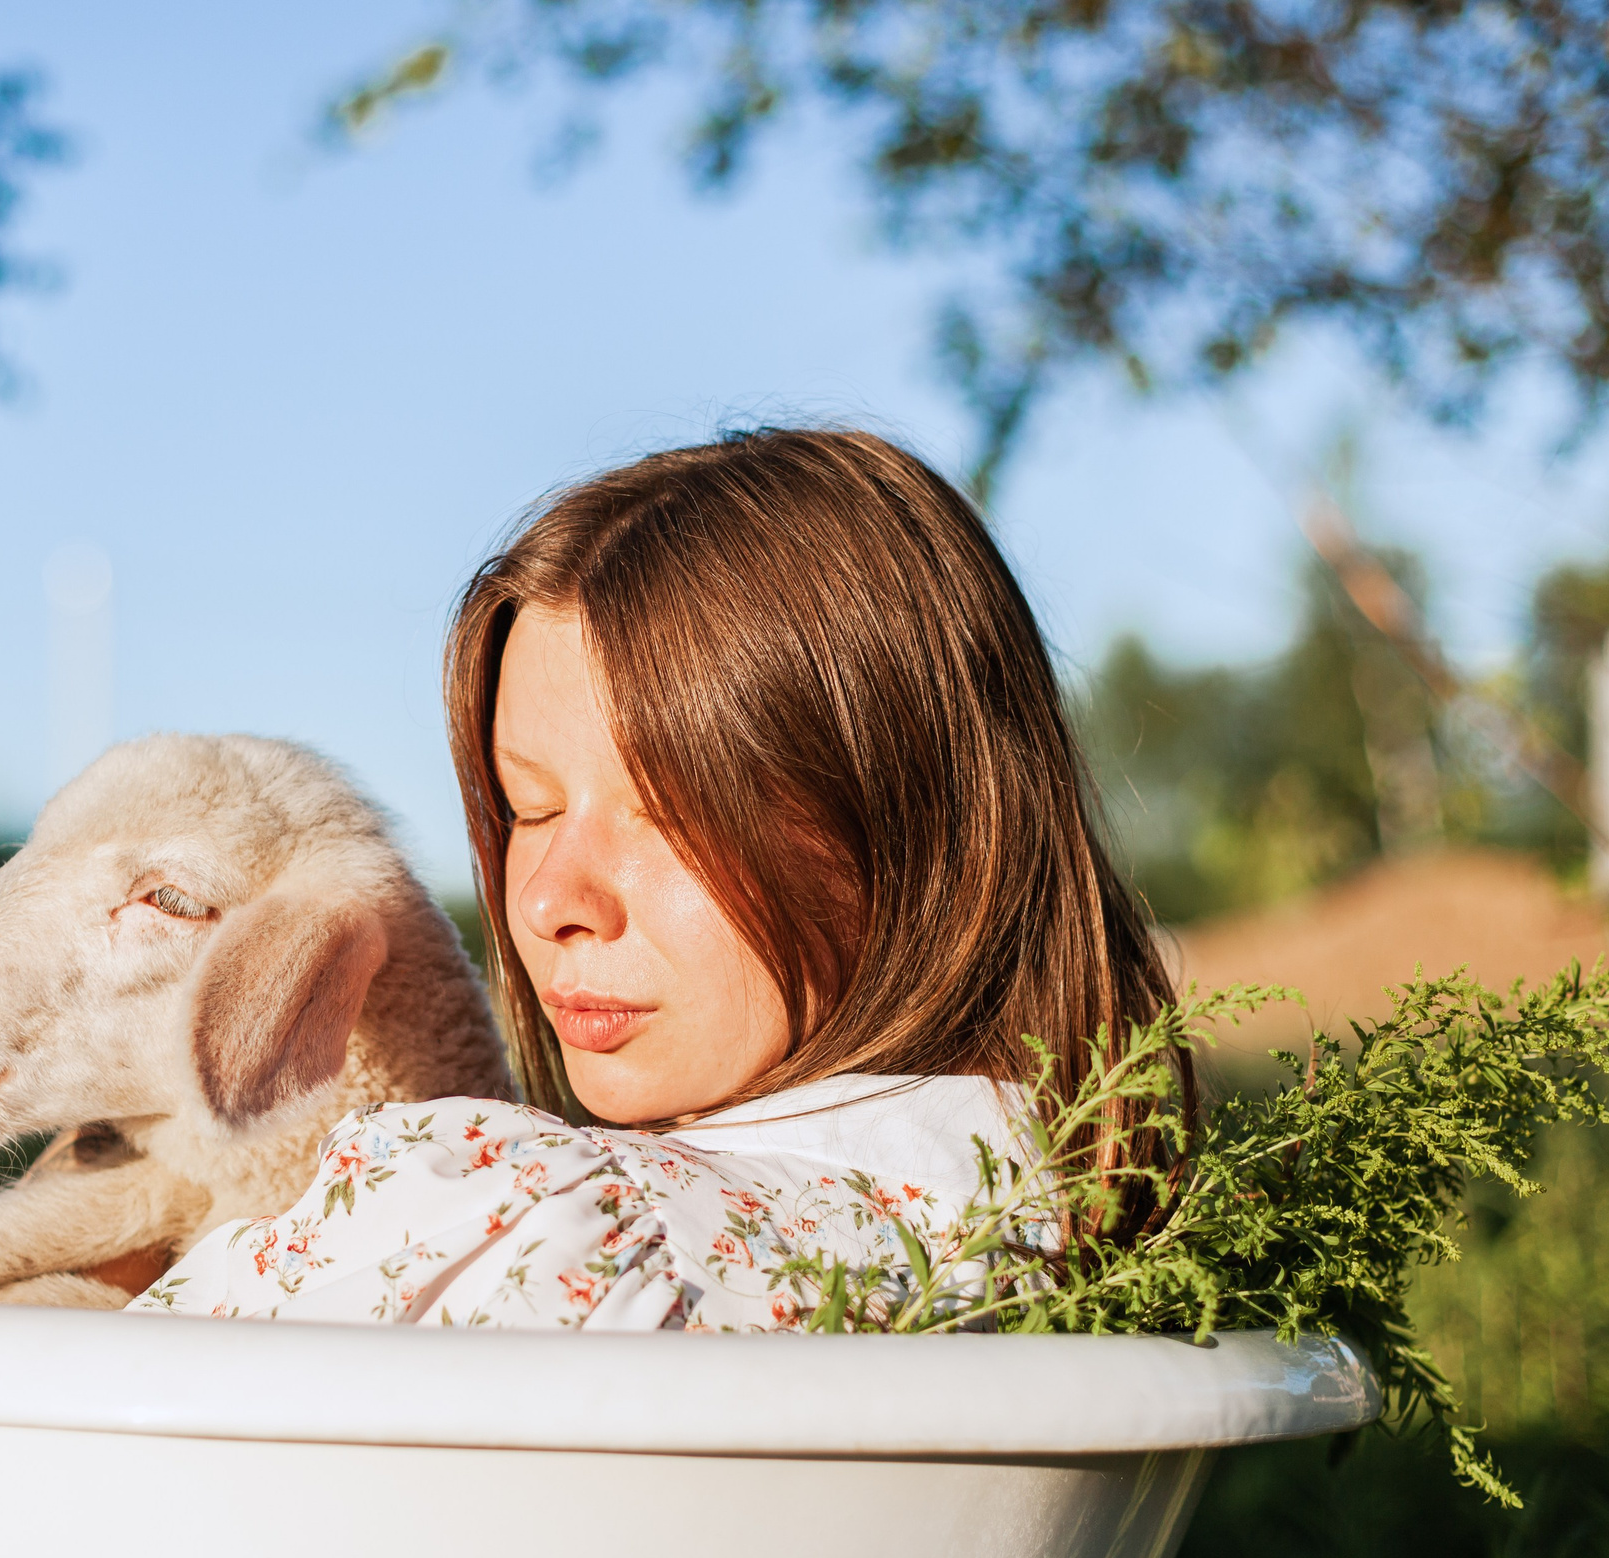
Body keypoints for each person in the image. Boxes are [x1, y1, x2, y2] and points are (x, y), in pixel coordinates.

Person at [128, 428, 1178, 1329]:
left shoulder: (518, 1216)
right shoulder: (1051, 1233)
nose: (545, 901)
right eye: (527, 807)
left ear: (913, 826)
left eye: (671, 814)